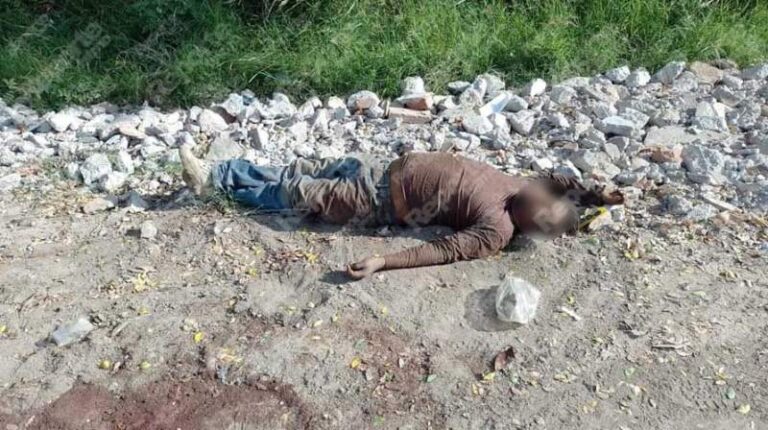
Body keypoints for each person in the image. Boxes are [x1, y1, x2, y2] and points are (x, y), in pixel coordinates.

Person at [179, 145, 622, 279]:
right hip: (382, 168)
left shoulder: (496, 229)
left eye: (541, 208)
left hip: (379, 202)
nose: (539, 197)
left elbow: (442, 251)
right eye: (545, 198)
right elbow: (562, 180)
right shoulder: (524, 188)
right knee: (302, 168)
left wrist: (383, 261)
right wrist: (598, 195)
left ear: (532, 226)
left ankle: (214, 182)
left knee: (297, 192)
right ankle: (226, 171)